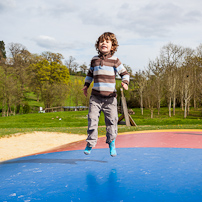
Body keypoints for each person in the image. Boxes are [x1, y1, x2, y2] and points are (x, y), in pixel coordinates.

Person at [82, 32, 129, 157]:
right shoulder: (94, 60)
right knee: (92, 119)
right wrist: (86, 85)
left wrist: (125, 82)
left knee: (112, 121)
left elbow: (125, 74)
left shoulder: (115, 61)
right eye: (102, 41)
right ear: (98, 45)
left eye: (107, 42)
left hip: (110, 99)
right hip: (95, 97)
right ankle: (91, 142)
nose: (104, 43)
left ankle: (112, 142)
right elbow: (90, 74)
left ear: (112, 46)